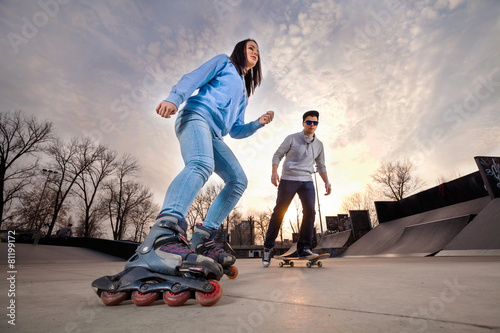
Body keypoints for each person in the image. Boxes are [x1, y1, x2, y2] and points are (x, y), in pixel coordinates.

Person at [135, 39, 274, 276]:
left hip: (215, 134)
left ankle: (202, 239)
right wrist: (174, 98)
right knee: (201, 163)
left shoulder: (243, 93)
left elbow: (235, 130)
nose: (255, 53)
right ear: (240, 50)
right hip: (196, 116)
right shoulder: (224, 62)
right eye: (251, 48)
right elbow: (195, 77)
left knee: (238, 180)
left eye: (258, 51)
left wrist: (256, 124)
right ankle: (162, 235)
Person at [262, 110, 331, 267]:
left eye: (315, 123)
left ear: (317, 125)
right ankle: (268, 247)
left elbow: (321, 165)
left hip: (307, 181)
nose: (312, 125)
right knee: (279, 211)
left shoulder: (319, 145)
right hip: (288, 179)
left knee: (310, 212)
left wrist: (327, 182)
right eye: (309, 122)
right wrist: (274, 172)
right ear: (303, 123)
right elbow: (277, 155)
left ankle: (304, 248)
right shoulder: (292, 138)